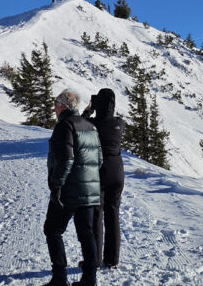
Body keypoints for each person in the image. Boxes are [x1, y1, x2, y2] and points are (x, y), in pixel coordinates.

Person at [43, 89, 103, 286]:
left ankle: (60, 278)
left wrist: (57, 185)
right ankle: (89, 279)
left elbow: (65, 160)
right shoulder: (90, 126)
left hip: (69, 190)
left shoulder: (64, 126)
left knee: (52, 230)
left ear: (62, 106)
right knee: (86, 233)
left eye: (55, 103)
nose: (53, 107)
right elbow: (99, 160)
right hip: (90, 191)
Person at [82, 88, 125, 270]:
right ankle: (112, 259)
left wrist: (89, 109)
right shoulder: (120, 123)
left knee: (97, 215)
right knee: (113, 213)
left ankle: (95, 260)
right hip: (117, 171)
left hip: (98, 170)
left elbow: (77, 123)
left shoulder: (91, 123)